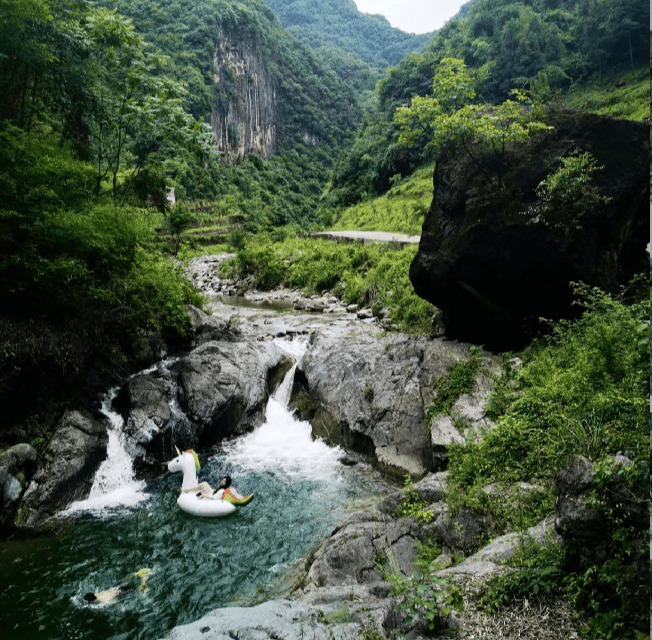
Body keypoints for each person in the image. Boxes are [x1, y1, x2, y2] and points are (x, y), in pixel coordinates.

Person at [83, 568, 151, 604]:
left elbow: (114, 597)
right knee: (127, 581)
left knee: (142, 589)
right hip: (115, 587)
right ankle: (137, 574)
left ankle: (145, 576)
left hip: (120, 592)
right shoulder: (96, 593)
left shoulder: (103, 600)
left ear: (93, 601)